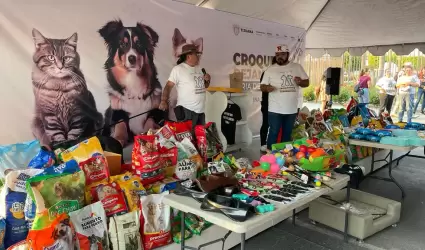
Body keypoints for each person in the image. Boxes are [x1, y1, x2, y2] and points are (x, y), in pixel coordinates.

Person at [260, 44, 309, 149]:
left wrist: (300, 81)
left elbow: (307, 82)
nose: (279, 56)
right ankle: (270, 157)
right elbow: (262, 86)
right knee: (273, 132)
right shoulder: (270, 70)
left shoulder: (297, 67)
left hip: (291, 109)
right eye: (277, 54)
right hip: (274, 109)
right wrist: (267, 88)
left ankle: (285, 157)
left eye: (282, 54)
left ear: (287, 54)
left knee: (287, 134)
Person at [159, 44, 211, 132]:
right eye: (196, 54)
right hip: (187, 111)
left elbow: (205, 86)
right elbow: (168, 86)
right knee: (187, 141)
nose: (198, 57)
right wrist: (164, 101)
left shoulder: (199, 69)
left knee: (199, 139)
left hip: (201, 111)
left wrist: (207, 80)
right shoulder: (178, 69)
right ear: (188, 56)